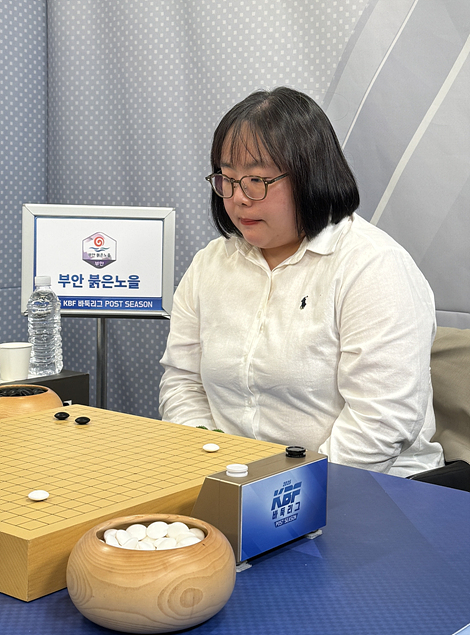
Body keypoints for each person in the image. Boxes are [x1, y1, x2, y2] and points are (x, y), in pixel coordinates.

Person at [159, 87, 444, 477]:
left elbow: (382, 421)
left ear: (311, 177)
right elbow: (183, 382)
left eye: (256, 179)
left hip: (366, 484)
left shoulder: (373, 265)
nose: (239, 198)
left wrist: (286, 491)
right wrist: (208, 460)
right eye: (227, 179)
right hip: (235, 480)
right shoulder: (210, 264)